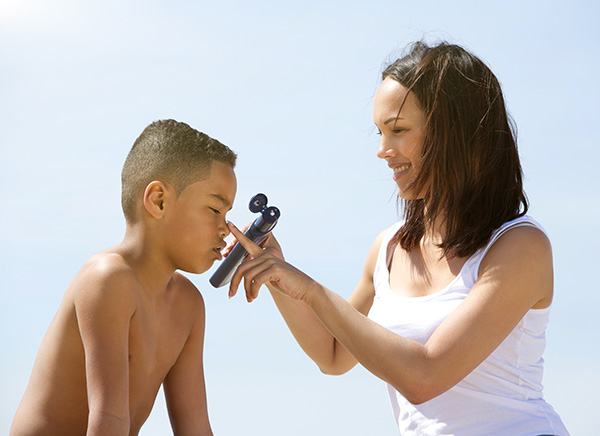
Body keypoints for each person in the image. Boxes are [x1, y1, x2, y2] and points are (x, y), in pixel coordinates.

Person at [226, 42, 570, 435]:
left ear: (453, 132)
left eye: (399, 130)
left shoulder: (520, 248)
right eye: (380, 132)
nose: (382, 150)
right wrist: (278, 275)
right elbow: (333, 353)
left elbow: (425, 376)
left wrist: (313, 291)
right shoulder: (388, 249)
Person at [10, 119, 237, 436]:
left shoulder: (189, 305)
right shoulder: (108, 278)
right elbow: (108, 420)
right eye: (215, 210)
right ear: (158, 201)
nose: (226, 229)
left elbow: (196, 428)